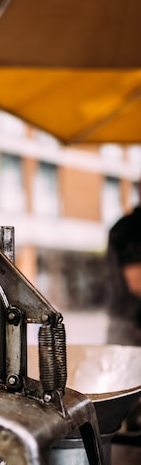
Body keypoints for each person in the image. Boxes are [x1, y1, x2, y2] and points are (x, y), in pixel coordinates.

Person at [106, 181, 141, 431]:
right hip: (132, 329)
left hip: (128, 326)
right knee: (125, 408)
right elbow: (137, 281)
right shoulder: (132, 228)